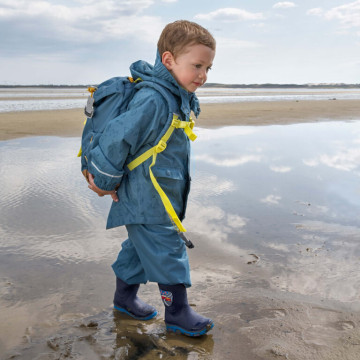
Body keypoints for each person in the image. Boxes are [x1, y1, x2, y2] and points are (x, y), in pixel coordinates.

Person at [86, 20, 216, 337]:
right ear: (169, 60)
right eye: (197, 65)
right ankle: (178, 312)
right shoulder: (154, 99)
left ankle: (124, 299)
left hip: (160, 191)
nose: (203, 75)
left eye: (209, 68)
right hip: (146, 194)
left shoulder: (177, 96)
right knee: (167, 247)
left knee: (139, 250)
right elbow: (119, 138)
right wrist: (103, 181)